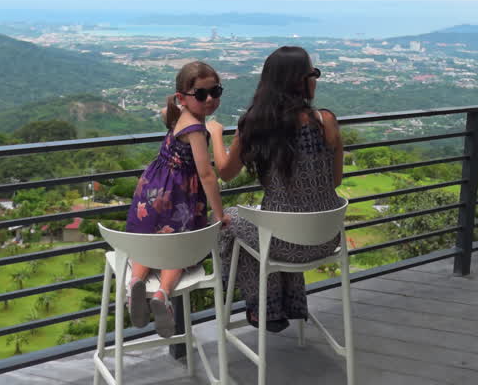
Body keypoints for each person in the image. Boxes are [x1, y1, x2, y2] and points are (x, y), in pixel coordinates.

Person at [207, 46, 344, 332]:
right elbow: (335, 182)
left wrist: (215, 135)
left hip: (282, 243)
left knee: (227, 220)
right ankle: (284, 305)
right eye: (313, 74)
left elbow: (226, 172)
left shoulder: (257, 125)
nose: (316, 80)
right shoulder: (326, 121)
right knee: (263, 227)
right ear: (298, 80)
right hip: (326, 238)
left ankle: (263, 307)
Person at [125, 60, 229, 337]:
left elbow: (165, 110)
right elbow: (207, 175)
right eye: (202, 94)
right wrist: (219, 216)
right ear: (183, 97)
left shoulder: (176, 115)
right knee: (177, 250)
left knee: (149, 241)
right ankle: (162, 294)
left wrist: (180, 103)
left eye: (215, 92)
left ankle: (136, 280)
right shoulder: (195, 129)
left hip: (152, 189)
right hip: (179, 195)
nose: (210, 100)